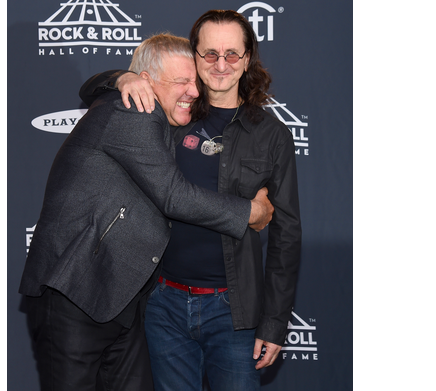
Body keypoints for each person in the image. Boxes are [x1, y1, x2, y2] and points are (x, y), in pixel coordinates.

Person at [19, 33, 274, 391]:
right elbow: (174, 197)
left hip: (118, 299)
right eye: (182, 81)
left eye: (195, 80)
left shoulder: (159, 118)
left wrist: (115, 76)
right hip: (76, 292)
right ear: (147, 82)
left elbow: (95, 87)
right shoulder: (135, 110)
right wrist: (250, 211)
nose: (194, 91)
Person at [79, 10, 302, 391]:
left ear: (247, 58)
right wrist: (125, 76)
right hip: (163, 304)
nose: (220, 65)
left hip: (234, 312)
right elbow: (91, 91)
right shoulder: (168, 114)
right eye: (209, 54)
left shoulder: (272, 135)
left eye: (232, 54)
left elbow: (286, 236)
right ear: (195, 57)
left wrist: (275, 322)